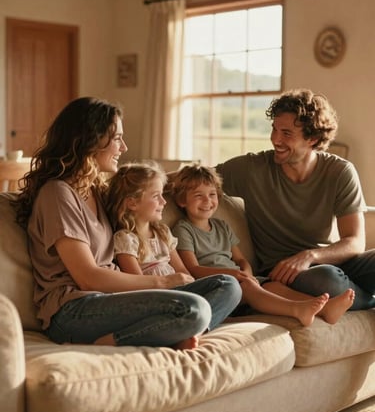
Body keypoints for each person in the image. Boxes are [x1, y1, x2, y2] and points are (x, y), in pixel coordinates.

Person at [15, 97, 242, 351]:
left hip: (114, 301)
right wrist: (163, 283)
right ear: (91, 140)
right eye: (117, 139)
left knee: (228, 286)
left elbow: (141, 188)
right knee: (194, 307)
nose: (123, 147)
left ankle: (181, 330)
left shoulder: (96, 189)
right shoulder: (58, 194)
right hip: (73, 309)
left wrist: (187, 179)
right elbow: (88, 278)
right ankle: (127, 338)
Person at [215, 88, 375, 310]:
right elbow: (197, 178)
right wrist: (153, 182)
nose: (275, 139)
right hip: (290, 276)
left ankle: (350, 299)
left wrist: (310, 255)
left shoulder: (339, 171)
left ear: (313, 138)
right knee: (328, 280)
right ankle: (367, 301)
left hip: (330, 262)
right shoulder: (251, 169)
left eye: (286, 133)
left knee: (333, 274)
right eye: (274, 129)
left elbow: (355, 241)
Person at [170, 164, 355, 326]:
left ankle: (324, 308)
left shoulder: (222, 226)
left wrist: (246, 271)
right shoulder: (183, 229)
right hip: (220, 287)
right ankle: (298, 310)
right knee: (251, 287)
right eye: (198, 196)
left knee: (273, 286)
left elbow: (240, 259)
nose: (207, 201)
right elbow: (192, 268)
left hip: (242, 279)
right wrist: (232, 274)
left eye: (212, 194)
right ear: (181, 200)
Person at [105, 162, 191, 278]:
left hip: (181, 288)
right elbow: (138, 282)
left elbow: (181, 270)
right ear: (132, 203)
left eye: (162, 195)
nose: (164, 201)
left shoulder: (163, 232)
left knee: (222, 281)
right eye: (156, 196)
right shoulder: (126, 239)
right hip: (156, 292)